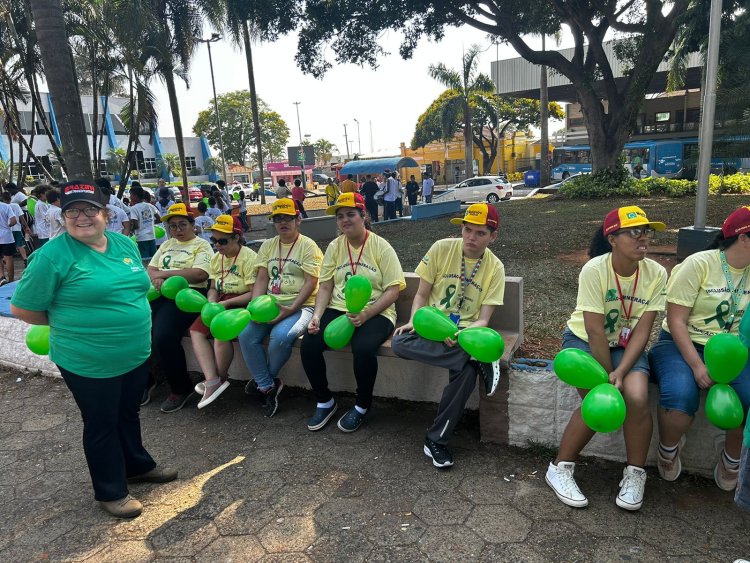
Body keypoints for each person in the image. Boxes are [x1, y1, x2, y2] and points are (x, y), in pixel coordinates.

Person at [10, 180, 176, 519]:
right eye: (72, 210)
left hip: (133, 352)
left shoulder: (123, 244)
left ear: (105, 212)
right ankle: (111, 491)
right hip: (87, 358)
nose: (81, 216)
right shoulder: (51, 256)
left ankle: (137, 466)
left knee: (127, 414)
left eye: (89, 209)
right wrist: (71, 323)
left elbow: (138, 286)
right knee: (101, 422)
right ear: (63, 216)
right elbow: (23, 308)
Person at [545, 206, 667, 511]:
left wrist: (622, 370)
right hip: (586, 342)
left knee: (637, 397)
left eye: (646, 231)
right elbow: (594, 330)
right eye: (634, 232)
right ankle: (559, 468)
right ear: (612, 238)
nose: (643, 238)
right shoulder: (595, 270)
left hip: (625, 347)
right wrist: (609, 377)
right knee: (600, 400)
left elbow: (642, 331)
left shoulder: (656, 273)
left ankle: (635, 474)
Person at [392, 203, 506, 468]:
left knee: (466, 372)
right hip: (432, 325)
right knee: (399, 341)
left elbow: (483, 320)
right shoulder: (441, 248)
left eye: (480, 233)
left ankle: (436, 440)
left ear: (493, 237)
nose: (471, 238)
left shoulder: (495, 268)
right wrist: (413, 321)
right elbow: (421, 294)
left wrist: (460, 335)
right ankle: (476, 359)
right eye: (467, 230)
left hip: (466, 334)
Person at [649, 206, 750, 493]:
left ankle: (732, 459)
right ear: (744, 239)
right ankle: (668, 450)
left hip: (734, 351)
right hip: (683, 344)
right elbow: (676, 321)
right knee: (680, 398)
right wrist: (696, 365)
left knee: (747, 400)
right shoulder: (699, 264)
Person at [301, 193, 405, 432]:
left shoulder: (380, 246)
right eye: (340, 217)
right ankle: (325, 401)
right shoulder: (335, 247)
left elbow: (393, 291)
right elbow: (325, 285)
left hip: (378, 312)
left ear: (363, 216)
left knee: (364, 348)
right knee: (310, 344)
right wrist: (317, 315)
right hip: (338, 307)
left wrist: (367, 314)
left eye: (350, 214)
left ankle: (361, 406)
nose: (345, 220)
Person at [238, 199, 323, 417]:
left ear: (298, 220)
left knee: (281, 337)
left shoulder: (308, 246)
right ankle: (267, 386)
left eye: (287, 218)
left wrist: (292, 307)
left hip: (302, 305)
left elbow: (311, 282)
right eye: (278, 219)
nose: (283, 223)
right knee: (247, 335)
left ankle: (262, 382)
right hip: (270, 303)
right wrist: (254, 308)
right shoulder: (268, 245)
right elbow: (261, 279)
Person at [145, 203, 213, 413]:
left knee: (164, 337)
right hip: (160, 293)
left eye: (182, 224)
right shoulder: (166, 245)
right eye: (172, 226)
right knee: (137, 330)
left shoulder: (202, 245)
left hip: (188, 296)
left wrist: (164, 275)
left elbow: (200, 274)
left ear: (193, 225)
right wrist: (157, 278)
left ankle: (180, 387)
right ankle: (148, 379)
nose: (177, 230)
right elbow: (151, 268)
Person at [191, 216, 257, 408]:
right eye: (214, 241)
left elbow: (253, 293)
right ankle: (212, 379)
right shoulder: (216, 258)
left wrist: (226, 305)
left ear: (237, 238)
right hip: (219, 301)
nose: (217, 245)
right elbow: (213, 286)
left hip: (240, 302)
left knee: (221, 333)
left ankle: (219, 379)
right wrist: (212, 301)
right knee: (196, 331)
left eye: (222, 241)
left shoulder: (249, 257)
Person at [128, 186, 161, 260]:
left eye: (131, 195)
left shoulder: (134, 208)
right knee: (153, 258)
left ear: (135, 196)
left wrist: (130, 229)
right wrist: (151, 222)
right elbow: (159, 219)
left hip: (141, 237)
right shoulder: (150, 206)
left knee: (144, 259)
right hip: (152, 236)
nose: (130, 197)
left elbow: (136, 225)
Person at [1, 191, 29, 265]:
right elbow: (21, 217)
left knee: (6, 248)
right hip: (16, 228)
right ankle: (25, 259)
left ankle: (4, 259)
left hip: (7, 230)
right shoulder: (16, 206)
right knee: (20, 245)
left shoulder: (2, 207)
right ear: (10, 198)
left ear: (3, 199)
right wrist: (26, 226)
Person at [0, 196, 17, 285]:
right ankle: (11, 280)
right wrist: (8, 226)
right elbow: (14, 221)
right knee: (8, 258)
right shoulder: (6, 206)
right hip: (7, 237)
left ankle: (1, 277)